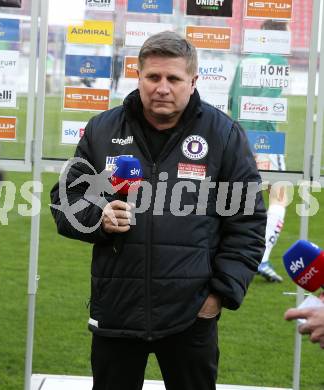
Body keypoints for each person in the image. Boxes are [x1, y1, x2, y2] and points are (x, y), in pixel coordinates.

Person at [50, 31, 266, 390]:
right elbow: (65, 202)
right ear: (138, 76)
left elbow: (248, 222)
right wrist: (99, 219)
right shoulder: (103, 131)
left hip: (191, 316)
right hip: (117, 311)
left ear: (193, 81)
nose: (162, 87)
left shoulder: (223, 135)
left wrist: (219, 297)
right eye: (153, 77)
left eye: (173, 78)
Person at [229, 20, 290, 283]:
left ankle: (235, 255)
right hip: (265, 138)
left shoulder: (246, 61)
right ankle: (261, 257)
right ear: (278, 36)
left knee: (245, 198)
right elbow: (269, 99)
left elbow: (232, 99)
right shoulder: (278, 60)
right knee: (280, 196)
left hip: (241, 135)